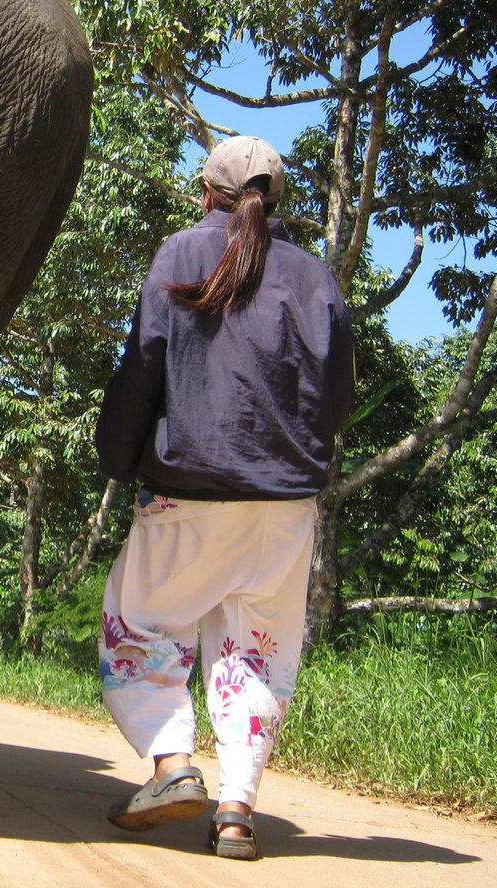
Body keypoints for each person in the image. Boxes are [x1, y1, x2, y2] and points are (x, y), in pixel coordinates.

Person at [93, 135, 355, 860]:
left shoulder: (180, 254)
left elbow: (145, 363)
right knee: (257, 655)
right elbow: (336, 395)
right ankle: (237, 811)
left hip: (188, 492)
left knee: (139, 626)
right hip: (285, 507)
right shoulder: (315, 277)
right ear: (274, 201)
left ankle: (173, 765)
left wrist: (119, 456)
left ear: (205, 194)